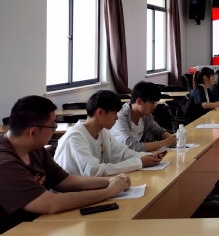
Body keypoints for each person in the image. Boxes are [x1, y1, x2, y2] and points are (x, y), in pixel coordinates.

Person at [0, 96, 130, 233]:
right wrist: (108, 192)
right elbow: (51, 204)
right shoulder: (5, 164)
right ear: (34, 132)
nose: (54, 130)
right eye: (53, 126)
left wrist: (109, 181)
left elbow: (65, 180)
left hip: (41, 223)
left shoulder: (35, 148)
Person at [54, 90, 163, 177]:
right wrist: (139, 162)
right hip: (69, 192)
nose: (117, 118)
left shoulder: (103, 132)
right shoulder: (75, 137)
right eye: (114, 113)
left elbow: (122, 153)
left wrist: (148, 156)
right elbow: (95, 171)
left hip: (91, 187)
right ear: (100, 112)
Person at [111, 81, 176, 152]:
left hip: (138, 156)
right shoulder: (120, 118)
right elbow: (131, 146)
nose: (154, 107)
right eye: (152, 103)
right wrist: (165, 143)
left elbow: (159, 131)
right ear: (139, 101)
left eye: (155, 103)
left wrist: (174, 140)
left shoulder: (145, 116)